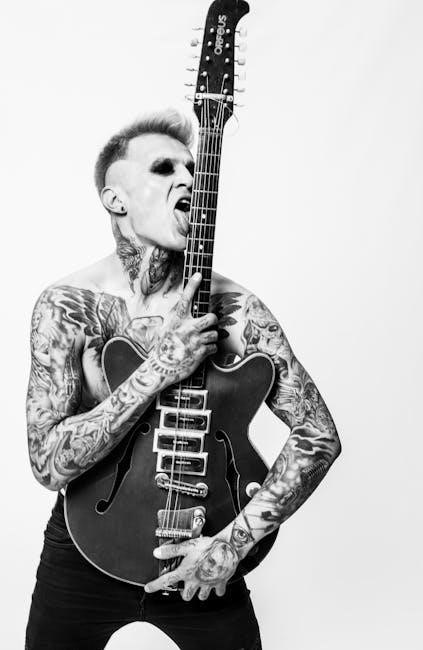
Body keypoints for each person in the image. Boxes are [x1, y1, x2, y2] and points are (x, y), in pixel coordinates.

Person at [25, 110, 341, 650]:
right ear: (115, 198)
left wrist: (231, 546)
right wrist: (157, 369)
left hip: (204, 554)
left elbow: (318, 435)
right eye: (163, 168)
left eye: (192, 169)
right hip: (85, 547)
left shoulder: (238, 309)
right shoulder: (68, 307)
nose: (188, 179)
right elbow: (47, 464)